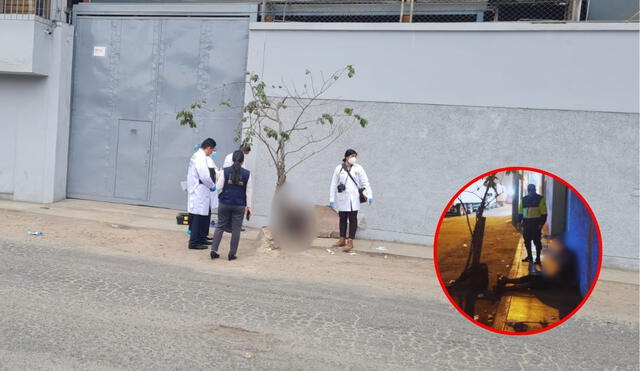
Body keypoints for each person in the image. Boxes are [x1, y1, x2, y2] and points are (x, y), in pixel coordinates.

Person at [210, 150, 253, 261]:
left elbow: (219, 187)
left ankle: (214, 250)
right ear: (243, 161)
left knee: (220, 226)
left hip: (225, 203)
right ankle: (231, 254)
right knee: (236, 229)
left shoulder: (225, 171)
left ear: (232, 159)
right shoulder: (247, 174)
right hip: (239, 205)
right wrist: (249, 207)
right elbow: (249, 192)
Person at [329, 149, 373, 252]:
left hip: (354, 198)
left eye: (355, 156)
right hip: (342, 198)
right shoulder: (338, 168)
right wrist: (331, 199)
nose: (354, 158)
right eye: (353, 156)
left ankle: (350, 241)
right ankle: (342, 239)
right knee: (342, 219)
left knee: (353, 219)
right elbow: (333, 184)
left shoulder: (358, 168)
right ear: (347, 156)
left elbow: (365, 182)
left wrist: (369, 195)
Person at [186, 138, 217, 250]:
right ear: (208, 148)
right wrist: (211, 185)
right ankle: (194, 242)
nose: (212, 153)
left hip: (197, 190)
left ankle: (201, 239)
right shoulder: (200, 157)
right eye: (212, 150)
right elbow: (204, 176)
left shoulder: (196, 156)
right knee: (198, 218)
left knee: (201, 217)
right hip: (199, 190)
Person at [518, 184, 547, 265]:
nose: (531, 191)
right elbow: (520, 212)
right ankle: (529, 257)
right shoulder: (524, 199)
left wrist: (541, 223)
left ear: (535, 190)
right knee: (527, 241)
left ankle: (538, 258)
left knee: (537, 241)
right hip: (526, 224)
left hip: (536, 224)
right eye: (530, 190)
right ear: (528, 190)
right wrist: (519, 222)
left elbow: (544, 213)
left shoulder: (540, 199)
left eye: (533, 190)